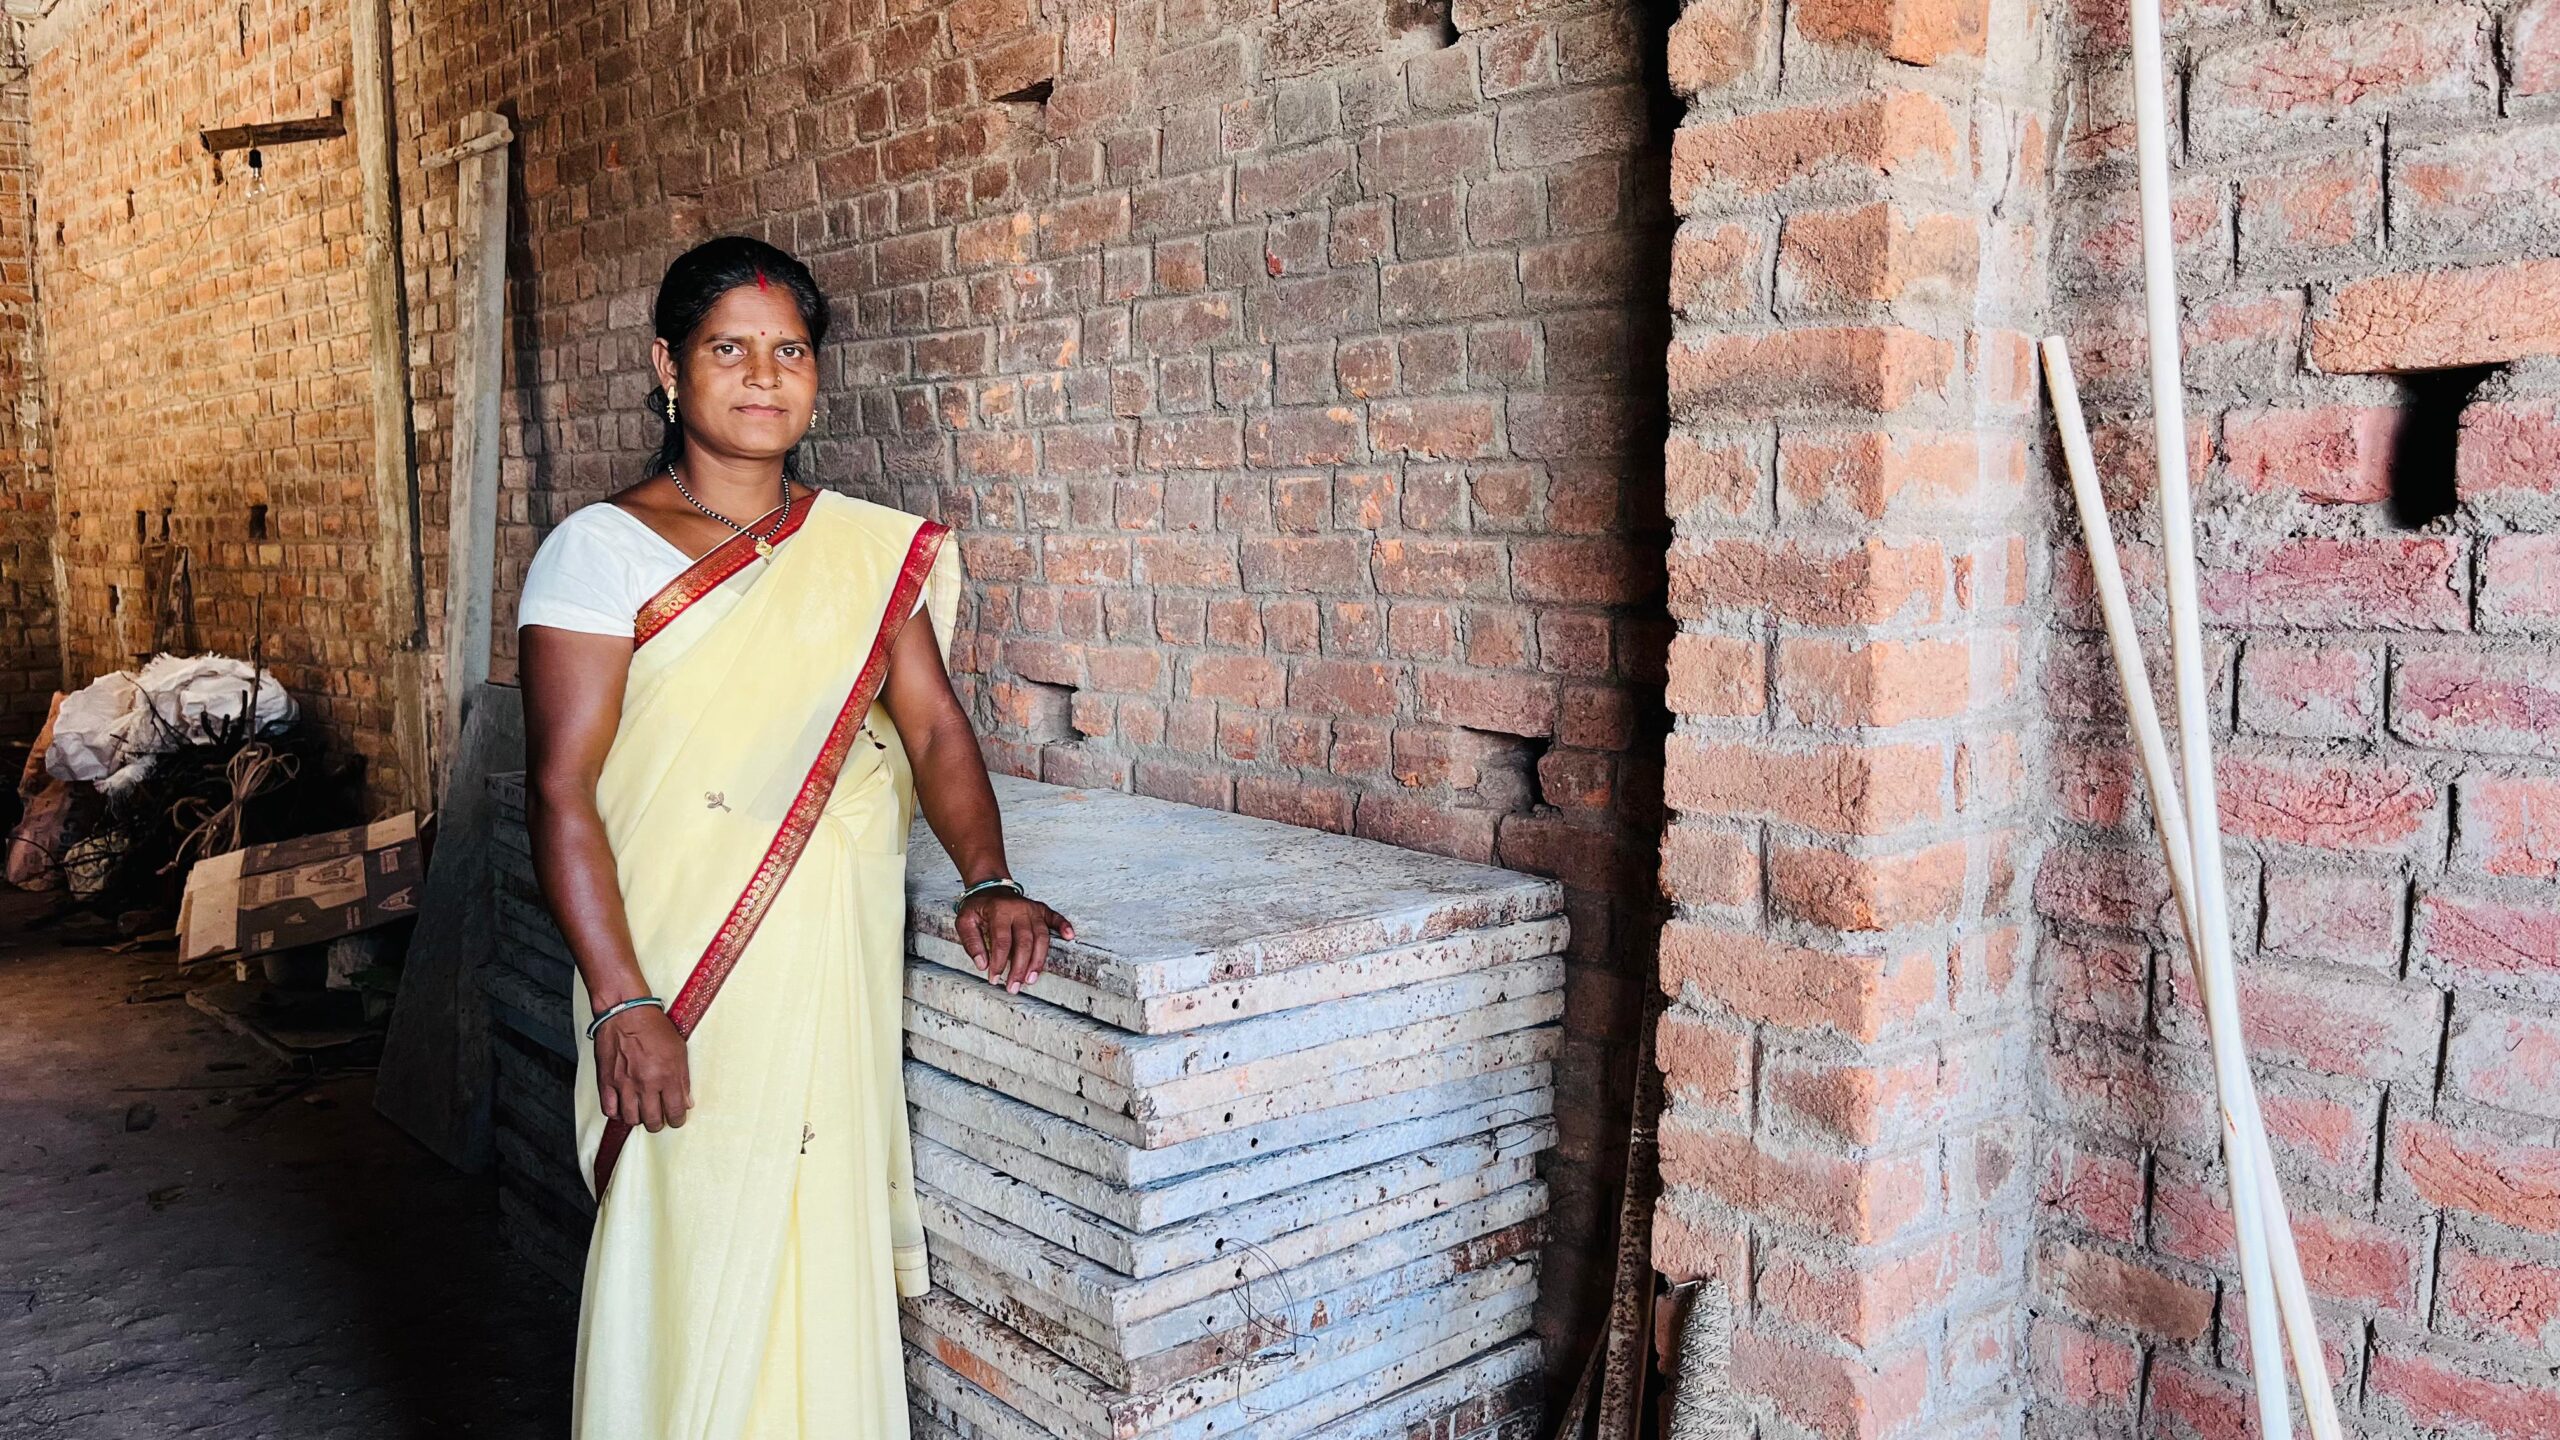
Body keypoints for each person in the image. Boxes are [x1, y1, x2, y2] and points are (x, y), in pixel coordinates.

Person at [514, 234, 1072, 1440]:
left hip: (824, 970)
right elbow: (560, 791)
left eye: (790, 351)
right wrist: (622, 1002)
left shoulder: (860, 552)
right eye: (729, 349)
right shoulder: (597, 553)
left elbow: (932, 726)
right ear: (668, 367)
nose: (763, 376)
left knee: (814, 1238)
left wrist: (989, 876)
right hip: (674, 974)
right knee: (688, 1249)